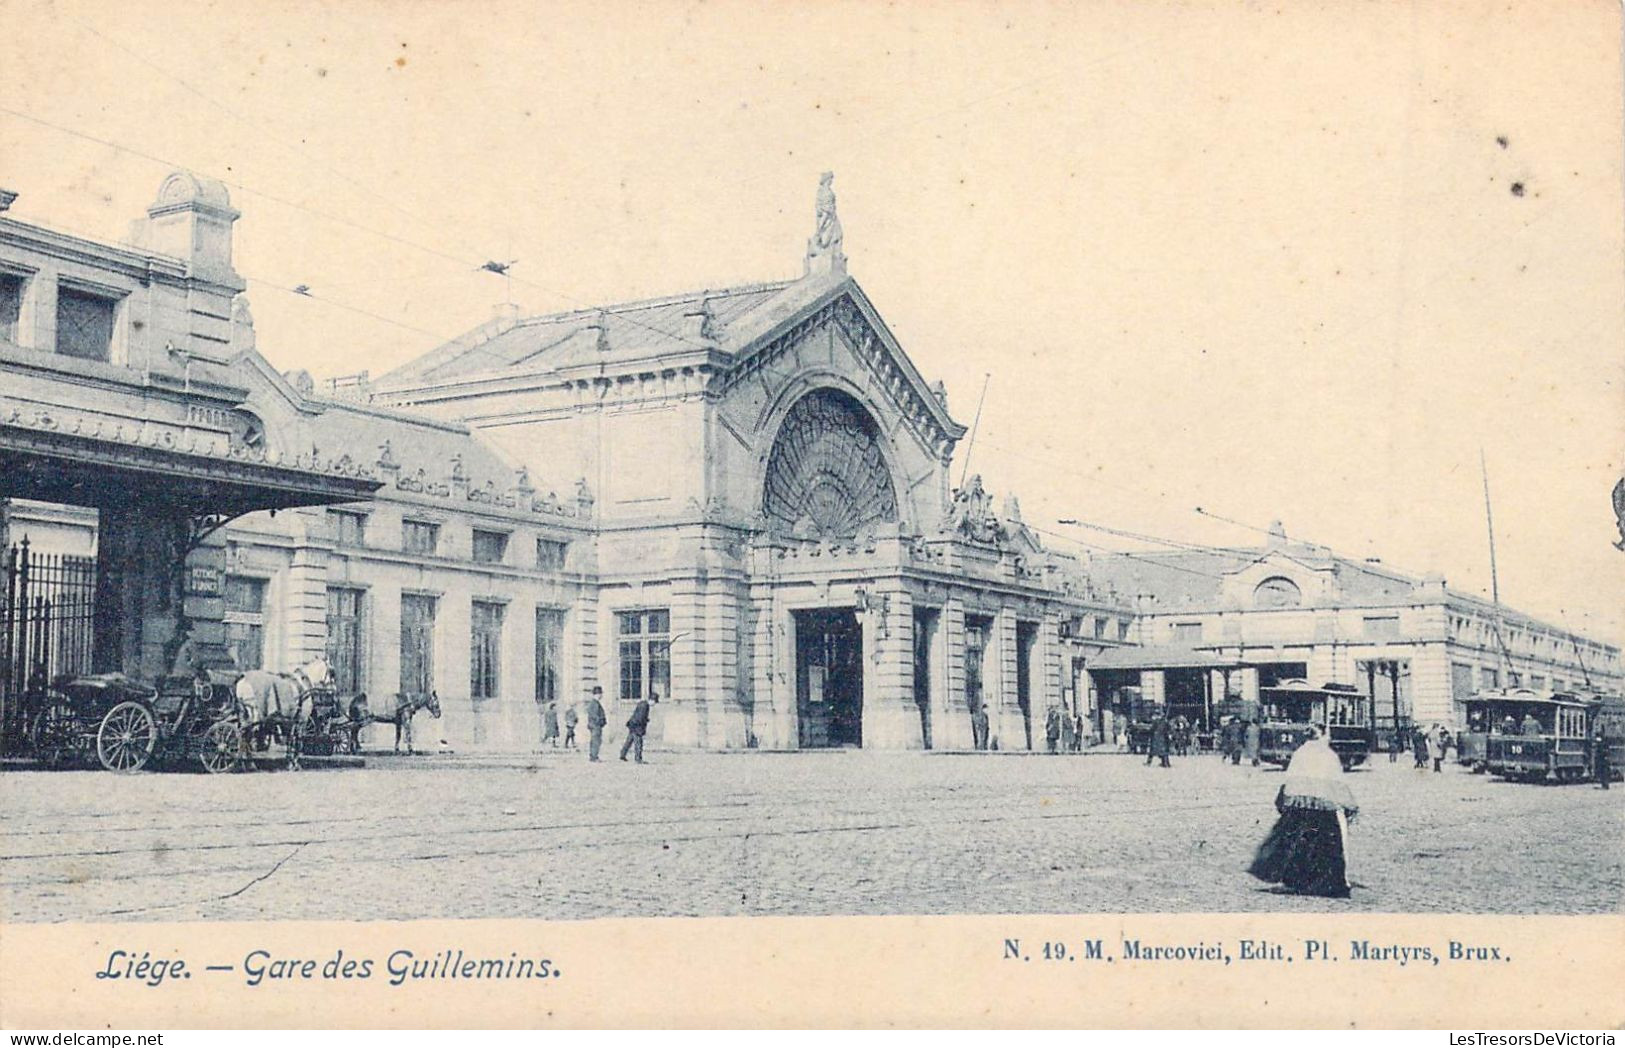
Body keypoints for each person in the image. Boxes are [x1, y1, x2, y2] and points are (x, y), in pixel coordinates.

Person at [1248, 725, 1357, 898]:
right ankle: (1322, 882)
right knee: (1324, 846)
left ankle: (1297, 879)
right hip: (1323, 808)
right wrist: (1350, 804)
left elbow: (1290, 780)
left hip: (1299, 806)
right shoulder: (1328, 755)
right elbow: (1337, 783)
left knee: (1298, 843)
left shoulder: (1300, 752)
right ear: (1321, 736)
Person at [621, 688, 655, 763]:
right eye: (654, 702)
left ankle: (622, 755)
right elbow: (640, 718)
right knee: (638, 742)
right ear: (652, 700)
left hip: (633, 725)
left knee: (629, 741)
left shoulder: (642, 703)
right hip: (637, 726)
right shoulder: (645, 706)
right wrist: (644, 723)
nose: (654, 704)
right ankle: (638, 759)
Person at [583, 686, 607, 762]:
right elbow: (594, 715)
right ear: (598, 694)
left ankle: (593, 756)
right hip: (596, 725)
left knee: (595, 741)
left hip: (594, 725)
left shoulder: (594, 703)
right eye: (600, 694)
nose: (601, 695)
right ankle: (594, 757)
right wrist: (600, 721)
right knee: (596, 741)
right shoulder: (594, 703)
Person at [1594, 722, 1612, 790]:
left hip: (1603, 758)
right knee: (1603, 772)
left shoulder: (1603, 740)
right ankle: (1604, 785)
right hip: (1603, 758)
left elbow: (1603, 749)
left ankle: (1605, 785)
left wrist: (1605, 755)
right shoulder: (1603, 739)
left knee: (1604, 772)